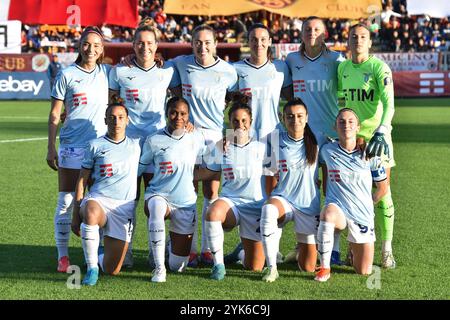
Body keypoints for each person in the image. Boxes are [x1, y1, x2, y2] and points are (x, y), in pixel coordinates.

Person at [108, 19, 181, 268]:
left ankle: (155, 251)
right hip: (128, 147)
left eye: (149, 43)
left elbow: (180, 104)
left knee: (156, 202)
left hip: (158, 146)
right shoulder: (119, 72)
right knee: (129, 200)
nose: (144, 47)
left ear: (157, 45)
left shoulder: (167, 72)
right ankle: (125, 252)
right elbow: (108, 105)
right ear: (133, 44)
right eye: (140, 42)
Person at [224, 23, 292, 265]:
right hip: (243, 141)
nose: (259, 43)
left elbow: (291, 97)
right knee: (246, 191)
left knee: (271, 194)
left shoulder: (281, 68)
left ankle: (272, 246)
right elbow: (225, 100)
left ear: (270, 41)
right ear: (248, 41)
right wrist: (228, 134)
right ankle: (245, 244)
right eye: (254, 39)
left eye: (263, 39)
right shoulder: (236, 69)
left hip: (271, 138)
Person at [171, 24, 238, 267]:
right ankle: (190, 249)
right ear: (191, 43)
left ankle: (209, 250)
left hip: (214, 138)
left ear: (215, 43)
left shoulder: (229, 71)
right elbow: (156, 70)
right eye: (197, 42)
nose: (202, 46)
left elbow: (235, 99)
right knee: (187, 191)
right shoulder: (180, 63)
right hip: (188, 136)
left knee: (211, 193)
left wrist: (229, 133)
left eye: (207, 42)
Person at [47, 26, 110, 273]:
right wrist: (51, 147)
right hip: (72, 147)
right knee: (66, 200)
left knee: (100, 200)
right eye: (86, 43)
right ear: (79, 45)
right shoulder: (67, 74)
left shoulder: (108, 73)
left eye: (96, 45)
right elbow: (54, 114)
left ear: (102, 48)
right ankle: (63, 257)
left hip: (100, 148)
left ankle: (99, 250)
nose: (91, 49)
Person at [285, 16, 345, 265]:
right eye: (307, 29)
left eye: (317, 29)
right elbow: (288, 93)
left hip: (330, 136)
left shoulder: (336, 60)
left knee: (333, 190)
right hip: (302, 137)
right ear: (300, 34)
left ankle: (334, 249)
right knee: (302, 191)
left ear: (325, 34)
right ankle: (304, 247)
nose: (312, 33)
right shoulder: (291, 60)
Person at [337, 23, 397, 268]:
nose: (358, 40)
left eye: (363, 37)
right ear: (348, 41)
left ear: (370, 42)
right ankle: (354, 247)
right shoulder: (342, 68)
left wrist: (380, 132)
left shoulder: (378, 67)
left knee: (382, 193)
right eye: (354, 37)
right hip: (351, 139)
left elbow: (390, 104)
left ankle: (386, 249)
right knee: (347, 193)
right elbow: (342, 101)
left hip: (377, 140)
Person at [196, 94, 272, 281]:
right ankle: (218, 265)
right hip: (231, 203)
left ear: (250, 121)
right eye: (235, 120)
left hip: (255, 207)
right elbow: (208, 173)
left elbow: (273, 179)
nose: (240, 124)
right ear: (229, 122)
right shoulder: (221, 146)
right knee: (213, 213)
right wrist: (181, 174)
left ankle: (240, 253)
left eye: (244, 120)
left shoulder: (263, 147)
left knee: (254, 267)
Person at [138, 97, 209, 283]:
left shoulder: (196, 138)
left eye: (183, 113)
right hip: (158, 194)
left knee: (178, 266)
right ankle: (159, 268)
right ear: (166, 113)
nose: (178, 116)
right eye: (174, 112)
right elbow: (140, 167)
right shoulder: (153, 140)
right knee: (156, 207)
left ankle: (168, 247)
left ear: (188, 116)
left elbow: (207, 165)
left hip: (185, 202)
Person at [71, 100, 141, 286]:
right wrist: (75, 214)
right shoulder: (94, 145)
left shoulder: (137, 145)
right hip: (99, 200)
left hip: (123, 208)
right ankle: (91, 267)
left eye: (120, 118)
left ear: (128, 121)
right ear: (105, 120)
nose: (116, 121)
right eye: (111, 118)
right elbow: (82, 180)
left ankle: (98, 253)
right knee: (91, 213)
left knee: (112, 270)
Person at [315, 108, 388, 282]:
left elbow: (382, 188)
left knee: (363, 271)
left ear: (358, 127)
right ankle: (325, 268)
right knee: (327, 214)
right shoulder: (327, 150)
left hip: (361, 215)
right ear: (335, 126)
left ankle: (352, 246)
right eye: (341, 121)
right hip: (338, 210)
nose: (346, 125)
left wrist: (369, 203)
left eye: (350, 122)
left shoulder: (370, 154)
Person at [260, 98, 320, 282]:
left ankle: (299, 251)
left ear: (307, 117)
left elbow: (342, 144)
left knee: (308, 267)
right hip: (283, 199)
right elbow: (269, 174)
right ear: (283, 119)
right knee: (268, 210)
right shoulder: (273, 140)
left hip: (308, 206)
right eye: (290, 116)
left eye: (300, 116)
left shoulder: (319, 139)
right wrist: (269, 199)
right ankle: (272, 268)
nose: (295, 120)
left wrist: (360, 142)